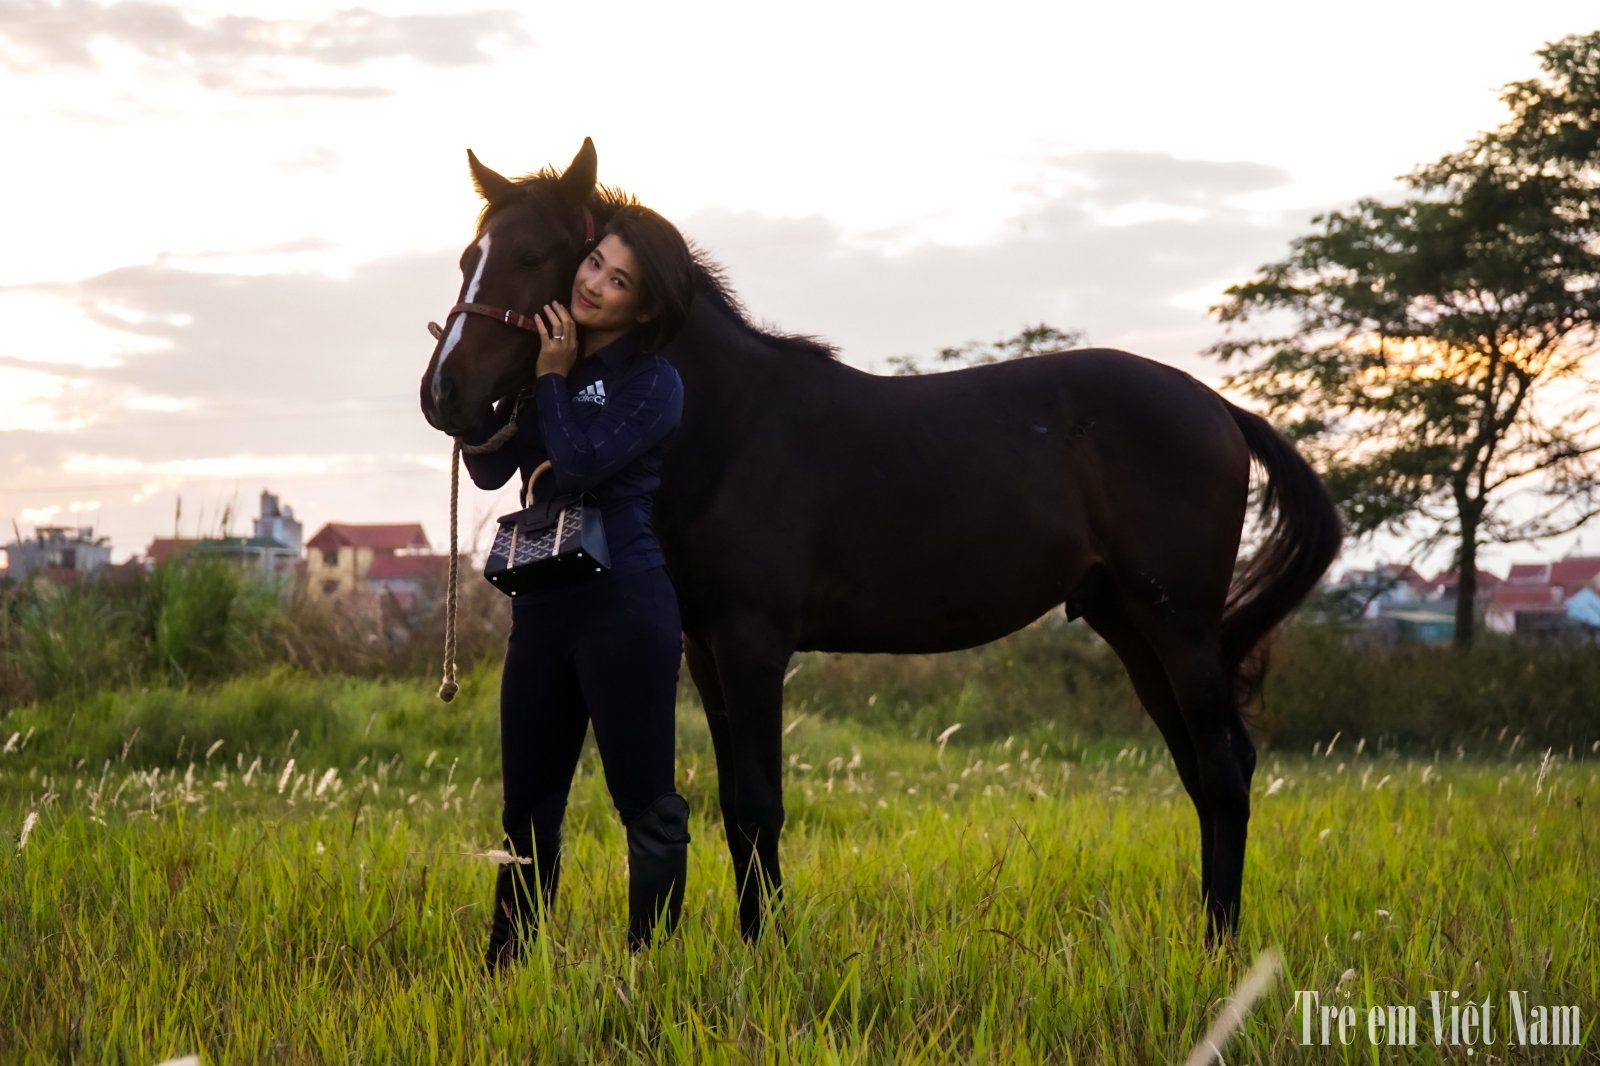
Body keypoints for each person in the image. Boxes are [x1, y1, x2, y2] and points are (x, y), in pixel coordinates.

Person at [461, 204, 695, 965]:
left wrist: (553, 379)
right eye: (595, 262)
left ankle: (650, 971)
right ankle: (507, 969)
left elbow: (582, 463)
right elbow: (490, 468)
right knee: (527, 806)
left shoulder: (653, 382)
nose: (593, 283)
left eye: (619, 280)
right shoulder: (542, 360)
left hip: (625, 607)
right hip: (543, 608)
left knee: (646, 805)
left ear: (645, 307)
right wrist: (470, 381)